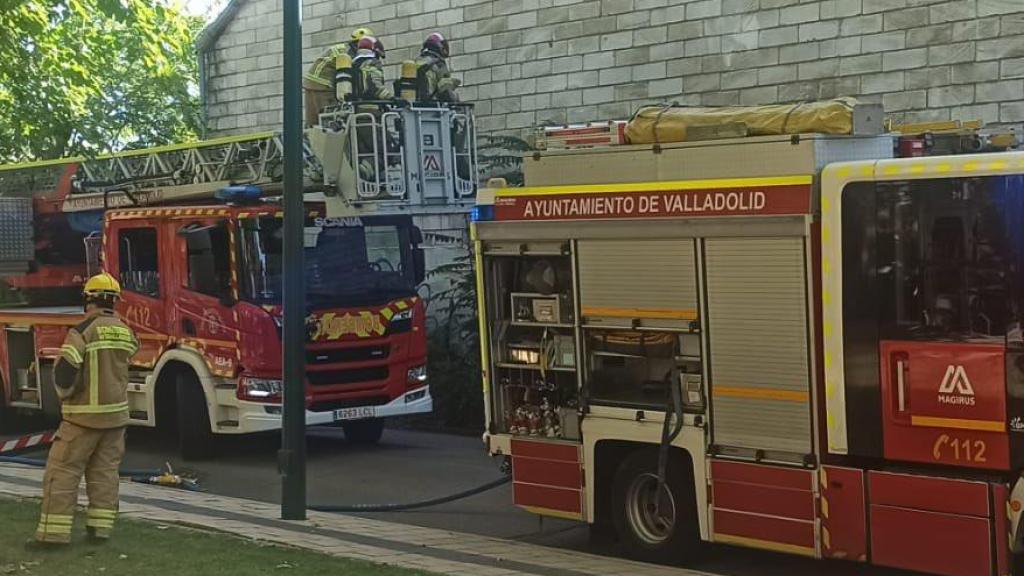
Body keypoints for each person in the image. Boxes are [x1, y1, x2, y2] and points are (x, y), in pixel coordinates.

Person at [33, 273, 138, 545]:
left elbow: (65, 371)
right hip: (115, 419)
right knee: (104, 475)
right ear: (115, 302)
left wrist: (65, 396)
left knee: (62, 474)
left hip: (82, 419)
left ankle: (52, 537)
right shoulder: (126, 331)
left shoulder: (82, 331)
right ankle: (100, 531)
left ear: (88, 299)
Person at [303, 27, 378, 126]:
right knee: (329, 117)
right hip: (323, 84)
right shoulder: (347, 53)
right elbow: (349, 75)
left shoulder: (344, 48)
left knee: (314, 120)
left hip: (313, 82)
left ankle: (309, 138)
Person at [415, 32, 460, 102]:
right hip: (433, 106)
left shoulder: (416, 62)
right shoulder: (439, 64)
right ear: (440, 46)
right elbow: (445, 89)